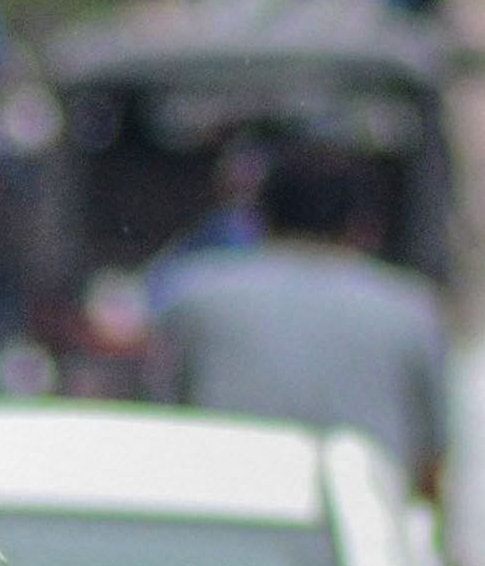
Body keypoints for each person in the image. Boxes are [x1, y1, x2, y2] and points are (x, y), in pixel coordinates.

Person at [148, 141, 449, 496]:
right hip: (361, 516)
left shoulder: (194, 296)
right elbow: (430, 458)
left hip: (226, 513)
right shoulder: (409, 311)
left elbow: (163, 426)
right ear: (363, 227)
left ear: (259, 220)